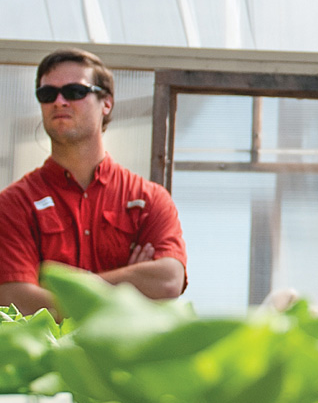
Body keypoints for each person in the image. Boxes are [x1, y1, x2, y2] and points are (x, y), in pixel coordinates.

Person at [0, 48, 188, 315]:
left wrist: (57, 288)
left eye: (75, 91)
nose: (59, 101)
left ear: (107, 102)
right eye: (47, 94)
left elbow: (168, 279)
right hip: (50, 357)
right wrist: (130, 287)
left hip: (126, 356)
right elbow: (16, 299)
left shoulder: (150, 199)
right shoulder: (13, 204)